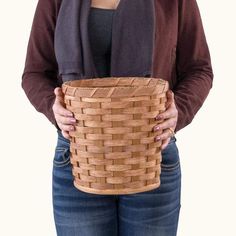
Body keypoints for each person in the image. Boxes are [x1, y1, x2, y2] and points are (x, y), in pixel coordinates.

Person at [21, 0, 213, 235]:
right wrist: (52, 106)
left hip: (151, 154)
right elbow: (34, 72)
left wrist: (179, 110)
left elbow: (199, 68)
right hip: (79, 159)